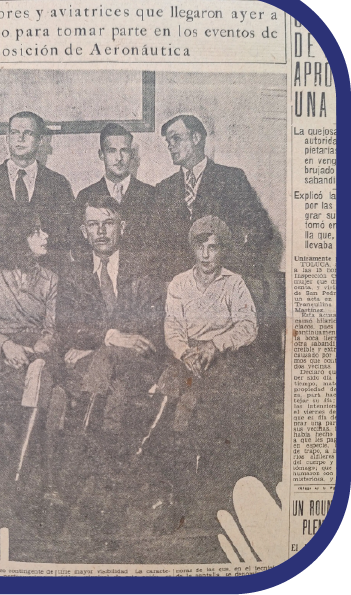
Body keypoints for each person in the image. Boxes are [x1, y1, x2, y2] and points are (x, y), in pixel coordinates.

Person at [151, 215, 260, 529]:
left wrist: (216, 345)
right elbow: (172, 327)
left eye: (214, 247)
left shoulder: (234, 283)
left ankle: (187, 494)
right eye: (201, 247)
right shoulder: (180, 283)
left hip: (220, 358)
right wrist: (185, 352)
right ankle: (158, 465)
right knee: (168, 390)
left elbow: (248, 326)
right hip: (185, 355)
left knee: (195, 400)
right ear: (193, 249)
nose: (207, 254)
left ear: (222, 250)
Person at [0, 210, 64, 502]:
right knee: (54, 394)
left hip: (38, 355)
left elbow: (51, 328)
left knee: (46, 379)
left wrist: (42, 348)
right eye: (37, 232)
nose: (46, 237)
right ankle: (47, 486)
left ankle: (21, 482)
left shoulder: (49, 279)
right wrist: (5, 345)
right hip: (4, 359)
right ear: (19, 238)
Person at [56, 195, 164, 444]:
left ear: (123, 227)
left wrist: (99, 345)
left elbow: (150, 327)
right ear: (84, 231)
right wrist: (110, 338)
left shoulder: (144, 269)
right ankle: (107, 455)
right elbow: (67, 326)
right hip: (97, 368)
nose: (101, 232)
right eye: (93, 224)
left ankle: (83, 448)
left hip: (137, 362)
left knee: (102, 365)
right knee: (111, 383)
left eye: (109, 223)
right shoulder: (74, 273)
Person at [148, 114, 273, 281]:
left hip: (223, 283)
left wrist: (241, 269)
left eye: (176, 138)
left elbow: (262, 227)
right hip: (179, 287)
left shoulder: (231, 178)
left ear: (196, 138)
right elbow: (154, 242)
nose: (170, 146)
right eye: (168, 142)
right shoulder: (164, 188)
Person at [0, 111, 75, 270]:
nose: (20, 138)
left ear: (40, 140)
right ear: (7, 138)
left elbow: (65, 235)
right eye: (14, 132)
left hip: (46, 280)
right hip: (1, 277)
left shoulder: (58, 183)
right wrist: (11, 263)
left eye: (28, 133)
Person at [74, 123, 154, 257]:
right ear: (101, 155)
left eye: (124, 150)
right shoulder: (85, 196)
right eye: (112, 151)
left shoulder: (151, 194)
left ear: (132, 154)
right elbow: (79, 245)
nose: (119, 158)